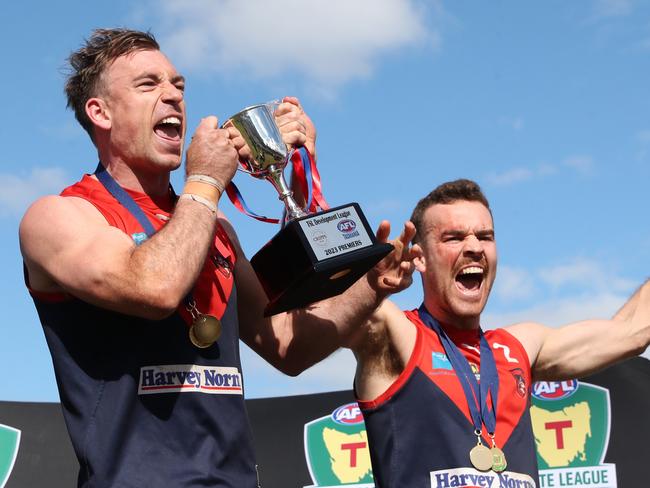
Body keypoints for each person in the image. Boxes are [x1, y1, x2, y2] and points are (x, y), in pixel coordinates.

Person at [18, 28, 414, 488]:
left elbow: (286, 346)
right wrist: (205, 180)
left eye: (178, 86)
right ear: (99, 111)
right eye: (148, 85)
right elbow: (155, 287)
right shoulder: (59, 216)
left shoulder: (214, 228)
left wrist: (369, 287)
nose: (172, 96)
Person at [346, 179, 650, 487]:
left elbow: (632, 331)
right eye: (454, 237)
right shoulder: (397, 334)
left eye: (485, 236)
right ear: (419, 257)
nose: (474, 247)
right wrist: (366, 291)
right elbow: (316, 309)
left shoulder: (518, 347)